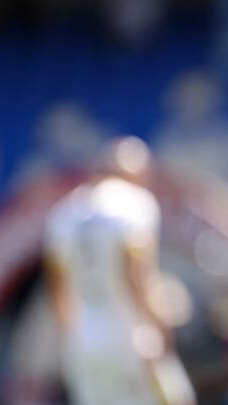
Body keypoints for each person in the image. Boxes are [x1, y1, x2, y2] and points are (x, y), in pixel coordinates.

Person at [44, 136, 196, 405]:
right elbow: (137, 276)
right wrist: (160, 327)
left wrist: (70, 340)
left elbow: (57, 288)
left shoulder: (64, 213)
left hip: (82, 340)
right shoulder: (134, 205)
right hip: (129, 334)